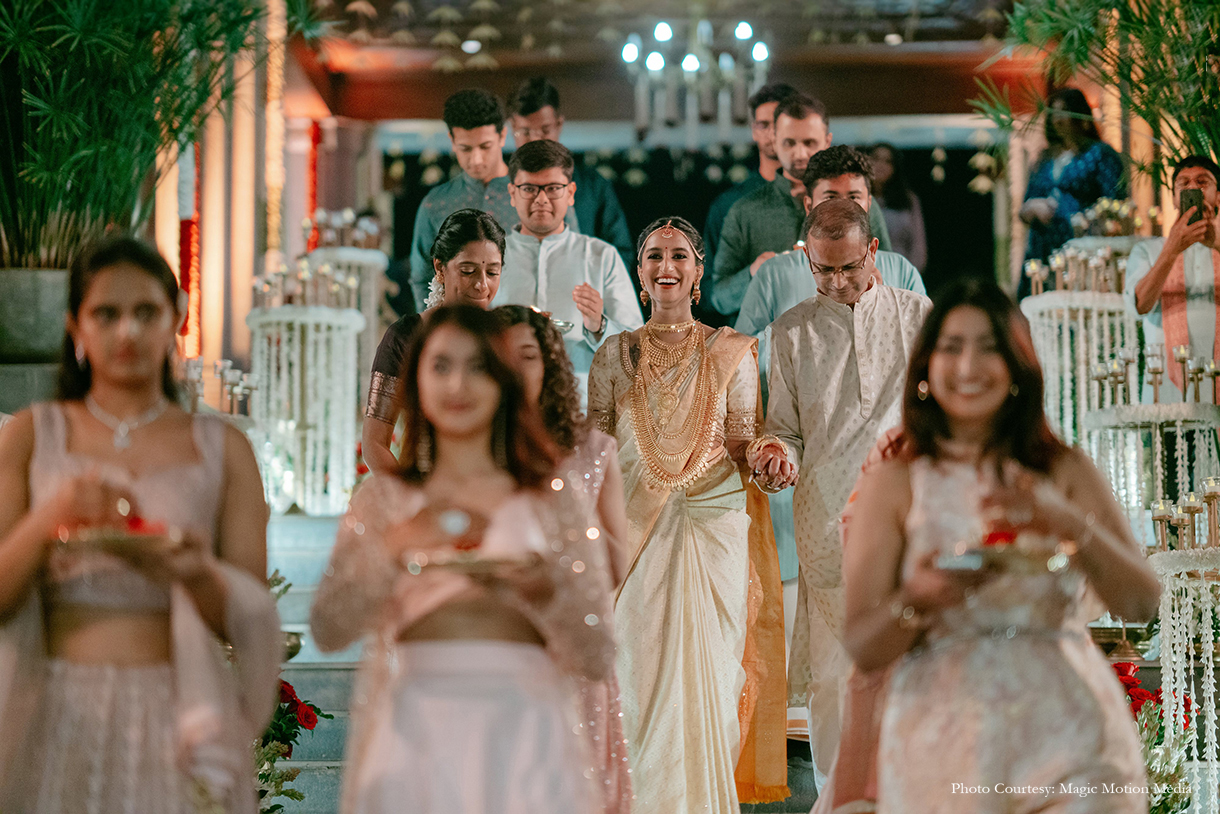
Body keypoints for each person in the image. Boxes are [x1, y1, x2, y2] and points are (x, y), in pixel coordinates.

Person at [842, 280, 1160, 813]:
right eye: (951, 347)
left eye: (990, 348)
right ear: (925, 368)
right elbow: (863, 645)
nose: (969, 367)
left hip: (1072, 737)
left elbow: (1143, 605)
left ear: (1019, 367)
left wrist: (1070, 525)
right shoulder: (895, 482)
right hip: (946, 744)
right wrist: (917, 597)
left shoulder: (1064, 469)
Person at [0, 236, 281, 813]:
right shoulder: (32, 434)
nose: (126, 332)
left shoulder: (223, 448)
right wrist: (55, 513)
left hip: (173, 710)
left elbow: (249, 610)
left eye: (144, 312)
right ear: (75, 326)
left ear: (176, 318)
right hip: (53, 706)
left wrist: (195, 571)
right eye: (106, 314)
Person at [311, 305, 618, 814]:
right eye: (440, 366)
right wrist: (394, 546)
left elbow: (596, 654)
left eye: (477, 366)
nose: (458, 384)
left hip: (525, 728)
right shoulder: (383, 500)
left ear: (503, 380)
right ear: (415, 382)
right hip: (414, 729)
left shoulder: (551, 496)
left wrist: (545, 591)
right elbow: (328, 628)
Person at [587, 217, 788, 814]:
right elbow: (593, 459)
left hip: (710, 533)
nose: (665, 266)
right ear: (639, 270)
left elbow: (742, 440)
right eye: (653, 256)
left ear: (700, 271)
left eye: (679, 255)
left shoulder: (731, 352)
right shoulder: (614, 354)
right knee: (634, 686)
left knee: (709, 693)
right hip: (633, 541)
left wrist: (768, 453)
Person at [747, 199, 931, 788]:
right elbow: (785, 427)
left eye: (848, 267)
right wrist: (777, 453)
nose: (835, 282)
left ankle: (909, 787)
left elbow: (944, 413)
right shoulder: (791, 330)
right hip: (826, 516)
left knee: (910, 659)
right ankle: (835, 792)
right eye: (822, 270)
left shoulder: (918, 317)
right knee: (832, 670)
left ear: (873, 251)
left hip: (908, 515)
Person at [496, 303, 632, 813]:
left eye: (527, 355)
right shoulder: (466, 453)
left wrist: (566, 510)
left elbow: (617, 566)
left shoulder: (593, 449)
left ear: (550, 365)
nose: (514, 368)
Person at [713, 95, 891, 321]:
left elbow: (891, 272)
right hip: (770, 345)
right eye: (789, 142)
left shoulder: (857, 206)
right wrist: (752, 273)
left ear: (827, 141)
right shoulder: (745, 211)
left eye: (809, 143)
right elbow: (718, 298)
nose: (800, 154)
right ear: (774, 140)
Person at [493, 139, 643, 403]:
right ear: (512, 193)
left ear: (571, 193)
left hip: (582, 406)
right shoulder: (491, 257)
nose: (541, 199)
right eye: (529, 188)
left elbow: (637, 352)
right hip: (506, 404)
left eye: (553, 188)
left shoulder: (601, 256)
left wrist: (599, 325)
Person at [364, 208, 506, 474]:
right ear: (440, 268)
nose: (482, 285)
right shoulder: (406, 336)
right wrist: (409, 499)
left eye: (492, 272)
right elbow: (374, 442)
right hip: (425, 485)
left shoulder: (506, 337)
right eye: (468, 270)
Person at [406, 89, 577, 309]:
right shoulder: (436, 203)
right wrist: (434, 328)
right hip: (461, 331)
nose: (476, 159)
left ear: (502, 136)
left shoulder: (540, 194)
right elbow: (422, 278)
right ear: (452, 140)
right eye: (465, 148)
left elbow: (574, 261)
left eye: (485, 146)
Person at [508, 77, 635, 271]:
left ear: (559, 124)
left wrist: (597, 291)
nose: (535, 140)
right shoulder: (498, 186)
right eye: (525, 131)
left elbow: (621, 252)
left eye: (544, 130)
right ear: (512, 128)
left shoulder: (593, 185)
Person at [1125, 154, 1220, 403]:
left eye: (1202, 182)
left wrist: (1217, 243)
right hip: (1166, 393)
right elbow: (1140, 305)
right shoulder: (1148, 251)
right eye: (1183, 184)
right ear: (1174, 198)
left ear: (1218, 195)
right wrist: (1171, 250)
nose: (1192, 188)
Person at [702, 83, 801, 317]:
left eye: (779, 123)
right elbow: (708, 292)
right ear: (753, 130)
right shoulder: (729, 205)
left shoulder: (824, 196)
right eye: (763, 125)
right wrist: (753, 274)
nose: (772, 133)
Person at [1018, 87, 1124, 299]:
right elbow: (1023, 207)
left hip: (1082, 251)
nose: (1058, 119)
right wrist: (1032, 208)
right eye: (1054, 113)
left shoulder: (1100, 154)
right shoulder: (1044, 159)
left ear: (1079, 115)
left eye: (1064, 112)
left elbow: (1115, 203)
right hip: (1043, 249)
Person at [869, 143, 927, 273]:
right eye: (876, 159)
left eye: (887, 161)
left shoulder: (907, 200)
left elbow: (918, 244)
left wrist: (911, 274)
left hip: (900, 271)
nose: (880, 165)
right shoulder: (856, 197)